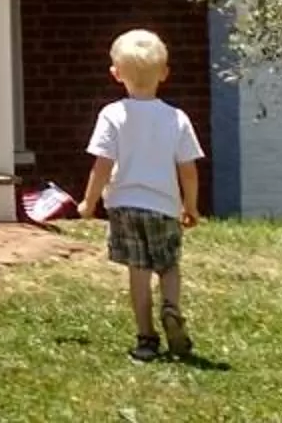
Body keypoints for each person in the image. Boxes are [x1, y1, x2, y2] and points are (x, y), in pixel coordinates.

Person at [76, 28, 204, 363]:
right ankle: (172, 308)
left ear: (116, 74)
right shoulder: (176, 118)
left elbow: (102, 165)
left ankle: (146, 338)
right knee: (169, 266)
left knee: (138, 271)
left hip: (124, 206)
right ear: (164, 73)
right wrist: (189, 206)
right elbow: (188, 170)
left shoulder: (112, 115)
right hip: (163, 206)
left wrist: (89, 202)